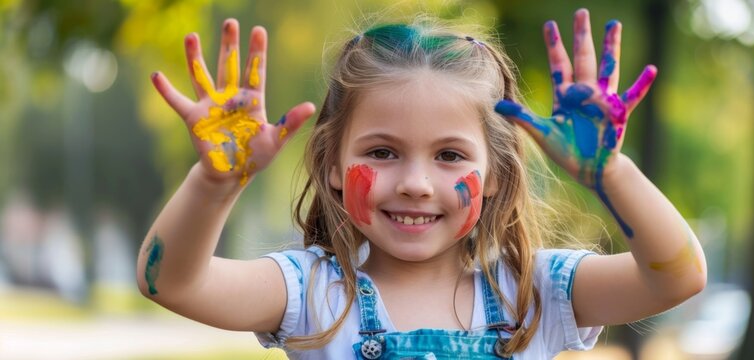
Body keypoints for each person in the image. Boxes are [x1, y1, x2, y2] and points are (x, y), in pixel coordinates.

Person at [138, 8, 707, 359]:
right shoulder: (313, 293)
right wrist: (214, 184)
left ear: (495, 173)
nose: (415, 183)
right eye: (382, 152)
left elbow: (677, 277)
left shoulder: (535, 294)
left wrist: (611, 173)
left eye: (450, 155)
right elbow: (172, 283)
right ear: (333, 166)